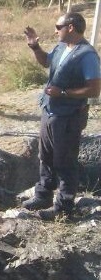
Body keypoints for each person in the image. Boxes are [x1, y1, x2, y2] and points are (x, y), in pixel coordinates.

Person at [22, 13, 101, 219]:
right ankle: (43, 195)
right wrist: (34, 47)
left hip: (69, 115)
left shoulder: (87, 55)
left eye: (59, 26)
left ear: (71, 27)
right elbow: (46, 62)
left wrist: (64, 93)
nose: (55, 30)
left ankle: (64, 208)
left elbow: (94, 90)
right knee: (45, 155)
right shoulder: (60, 48)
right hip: (50, 111)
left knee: (65, 161)